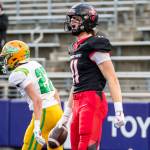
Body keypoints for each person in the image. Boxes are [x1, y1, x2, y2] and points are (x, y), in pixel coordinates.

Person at [57, 3, 125, 150]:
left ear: (89, 20)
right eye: (71, 19)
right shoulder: (77, 47)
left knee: (87, 146)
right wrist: (66, 114)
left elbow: (112, 78)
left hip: (92, 100)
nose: (72, 22)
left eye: (76, 19)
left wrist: (119, 110)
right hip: (77, 101)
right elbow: (76, 83)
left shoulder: (95, 44)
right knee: (75, 146)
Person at [0, 40, 63, 150]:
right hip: (56, 110)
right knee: (54, 147)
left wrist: (37, 126)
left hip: (44, 111)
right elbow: (55, 91)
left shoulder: (18, 73)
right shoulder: (35, 64)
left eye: (7, 57)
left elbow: (37, 100)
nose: (4, 61)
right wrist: (61, 115)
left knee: (29, 146)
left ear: (15, 57)